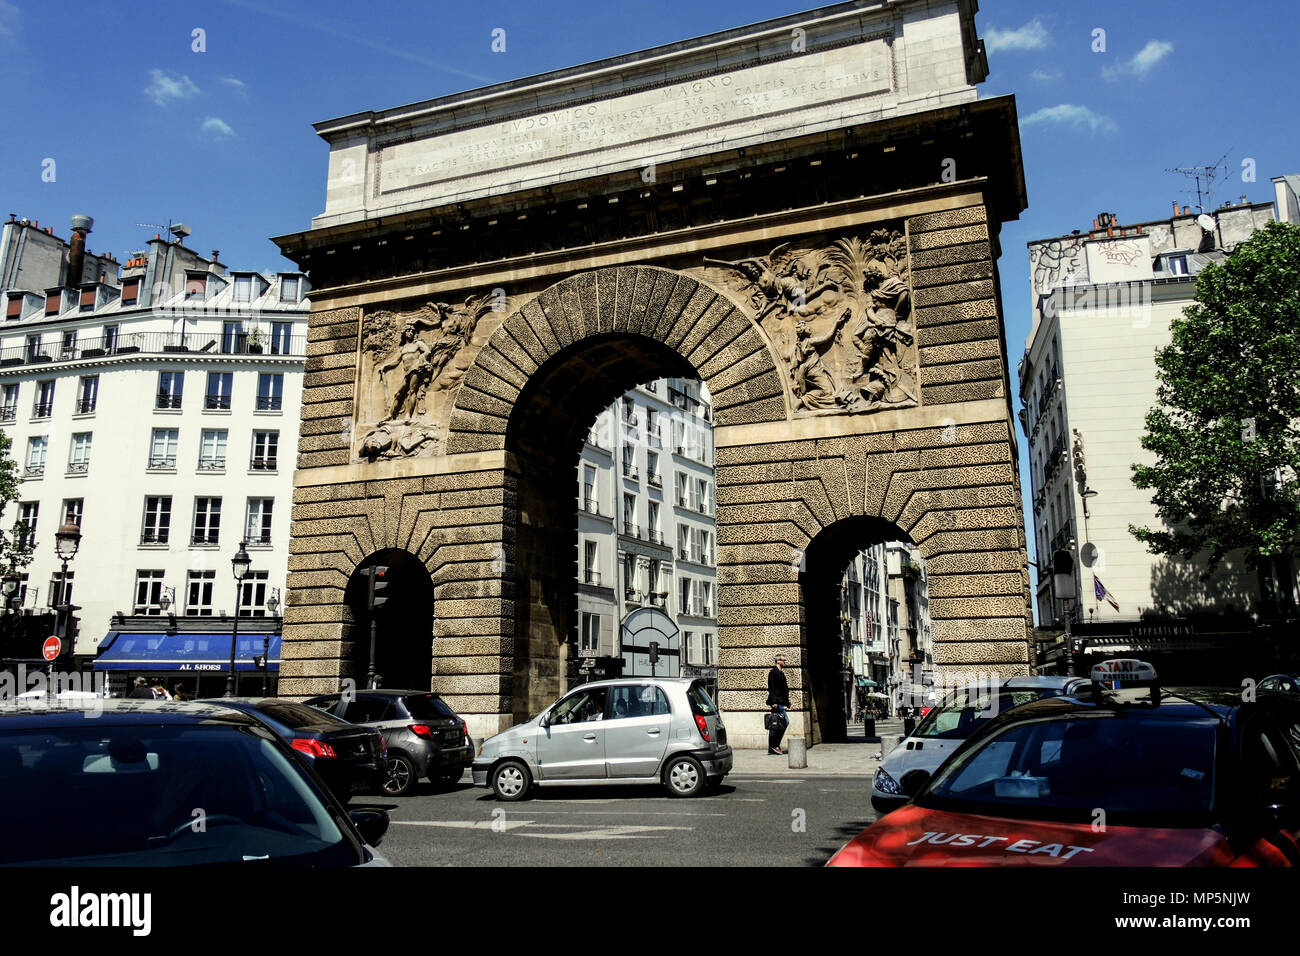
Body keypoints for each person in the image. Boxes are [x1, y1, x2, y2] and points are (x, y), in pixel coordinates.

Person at [766, 654, 791, 755]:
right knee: (783, 722)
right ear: (778, 661)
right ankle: (774, 745)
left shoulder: (781, 673)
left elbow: (784, 689)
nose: (785, 662)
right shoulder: (773, 673)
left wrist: (788, 703)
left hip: (780, 702)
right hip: (776, 702)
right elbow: (771, 688)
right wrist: (774, 702)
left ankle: (773, 746)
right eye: (784, 660)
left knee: (775, 724)